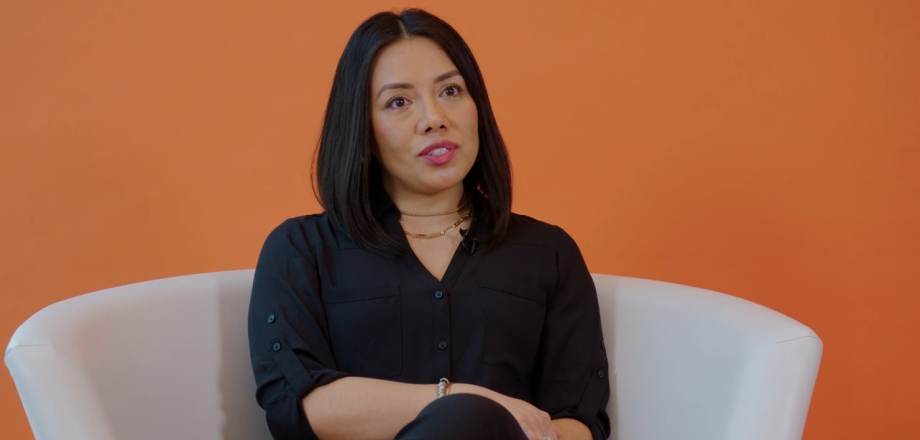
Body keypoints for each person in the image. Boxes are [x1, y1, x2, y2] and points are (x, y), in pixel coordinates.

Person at [248, 9, 610, 440]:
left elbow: (578, 421)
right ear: (363, 131)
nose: (435, 117)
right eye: (398, 102)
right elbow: (300, 406)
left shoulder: (549, 253)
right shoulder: (301, 249)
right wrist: (460, 399)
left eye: (451, 91)